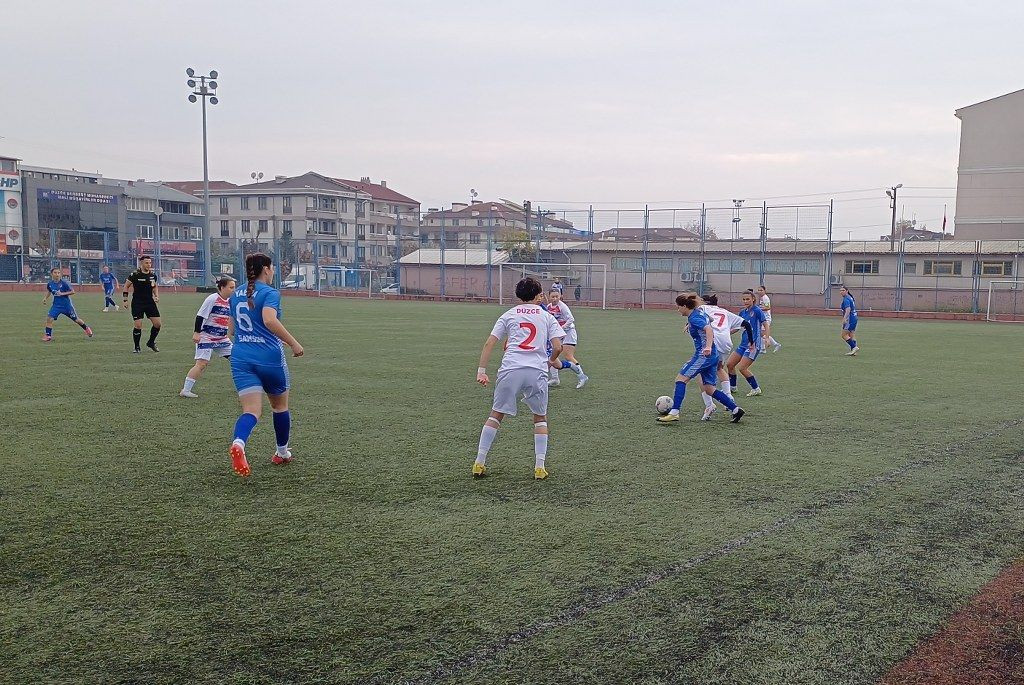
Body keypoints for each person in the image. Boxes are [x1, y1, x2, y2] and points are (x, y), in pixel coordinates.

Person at [474, 277, 564, 480]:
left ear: (518, 295)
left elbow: (490, 343)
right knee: (540, 418)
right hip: (536, 371)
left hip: (511, 369)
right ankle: (539, 467)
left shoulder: (508, 314)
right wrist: (550, 361)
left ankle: (479, 462)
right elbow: (558, 347)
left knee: (495, 415)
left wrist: (482, 371)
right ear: (538, 294)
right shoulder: (547, 316)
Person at [227, 253, 304, 477]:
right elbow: (270, 320)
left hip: (241, 357)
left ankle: (239, 444)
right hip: (268, 358)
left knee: (251, 410)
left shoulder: (235, 294)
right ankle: (281, 453)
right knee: (279, 407)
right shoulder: (270, 293)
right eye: (272, 268)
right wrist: (294, 343)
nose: (273, 272)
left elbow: (231, 331)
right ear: (266, 269)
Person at [657, 294, 744, 424]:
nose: (678, 310)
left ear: (685, 306)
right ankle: (736, 409)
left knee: (681, 379)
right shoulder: (699, 313)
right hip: (713, 355)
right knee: (709, 388)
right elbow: (710, 321)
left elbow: (709, 329)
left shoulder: (695, 317)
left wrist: (707, 346)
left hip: (705, 355)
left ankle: (674, 412)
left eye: (679, 307)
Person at [180, 277, 237, 398]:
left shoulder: (230, 301)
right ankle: (185, 390)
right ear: (222, 287)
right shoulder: (213, 298)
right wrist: (196, 332)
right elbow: (200, 316)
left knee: (237, 359)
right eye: (231, 287)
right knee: (201, 363)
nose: (234, 290)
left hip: (221, 338)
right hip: (207, 337)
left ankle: (242, 387)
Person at [697, 293, 748, 421]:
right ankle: (729, 396)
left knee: (700, 373)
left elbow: (697, 318)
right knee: (720, 368)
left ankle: (709, 405)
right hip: (726, 343)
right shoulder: (723, 311)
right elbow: (743, 324)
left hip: (713, 342)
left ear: (705, 302)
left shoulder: (703, 309)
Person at [545, 288, 588, 389]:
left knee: (568, 356)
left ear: (560, 296)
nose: (555, 298)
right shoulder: (548, 307)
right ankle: (555, 379)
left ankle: (582, 377)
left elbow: (571, 319)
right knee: (552, 355)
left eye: (557, 296)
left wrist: (561, 328)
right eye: (553, 296)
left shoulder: (562, 306)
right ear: (549, 297)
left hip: (569, 332)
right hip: (558, 334)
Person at [727, 290, 767, 397]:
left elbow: (765, 324)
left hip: (753, 345)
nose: (745, 301)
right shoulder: (742, 312)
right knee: (730, 364)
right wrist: (727, 333)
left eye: (748, 299)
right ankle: (733, 387)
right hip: (743, 344)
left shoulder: (757, 310)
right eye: (744, 299)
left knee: (742, 368)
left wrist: (766, 338)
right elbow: (738, 327)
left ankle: (756, 388)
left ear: (753, 299)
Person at [42, 267, 93, 341]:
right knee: (49, 319)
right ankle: (48, 336)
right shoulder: (50, 284)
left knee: (76, 320)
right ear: (51, 274)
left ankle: (86, 328)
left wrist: (62, 293)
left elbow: (72, 291)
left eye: (58, 273)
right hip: (56, 305)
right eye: (55, 273)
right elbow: (50, 291)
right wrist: (45, 298)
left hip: (66, 306)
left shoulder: (64, 283)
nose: (57, 274)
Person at [123, 256, 161, 353]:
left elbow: (154, 286)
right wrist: (125, 300)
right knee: (138, 325)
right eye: (146, 263)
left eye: (150, 263)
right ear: (142, 264)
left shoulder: (152, 275)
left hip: (149, 303)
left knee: (157, 324)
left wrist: (156, 295)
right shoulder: (134, 275)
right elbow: (126, 286)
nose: (149, 265)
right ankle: (137, 347)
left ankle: (151, 342)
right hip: (137, 303)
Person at [756, 285, 782, 352]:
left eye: (761, 290)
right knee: (761, 333)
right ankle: (764, 348)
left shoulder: (765, 298)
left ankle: (773, 345)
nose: (759, 291)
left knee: (762, 334)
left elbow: (768, 307)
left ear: (765, 291)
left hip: (766, 318)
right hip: (763, 318)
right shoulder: (762, 298)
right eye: (759, 290)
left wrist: (759, 309)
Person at [839, 285, 860, 356]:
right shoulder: (850, 298)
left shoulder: (846, 299)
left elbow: (848, 309)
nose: (841, 292)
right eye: (840, 290)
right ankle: (853, 351)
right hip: (854, 317)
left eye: (843, 290)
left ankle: (854, 347)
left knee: (844, 335)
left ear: (847, 291)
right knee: (851, 335)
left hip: (850, 319)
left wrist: (844, 318)